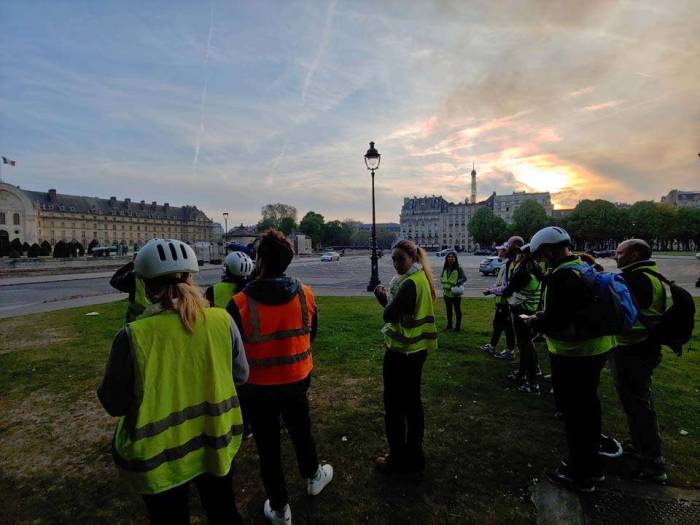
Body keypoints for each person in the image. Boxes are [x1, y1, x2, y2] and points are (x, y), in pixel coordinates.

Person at [98, 238, 249, 524]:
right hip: (213, 441)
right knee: (223, 511)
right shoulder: (221, 321)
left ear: (145, 284)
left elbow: (113, 403)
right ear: (191, 277)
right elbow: (241, 376)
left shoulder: (133, 336)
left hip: (159, 460)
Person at [226, 229, 331, 525]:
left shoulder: (239, 303)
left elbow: (232, 350)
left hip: (257, 387)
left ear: (259, 261)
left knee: (268, 447)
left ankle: (280, 506)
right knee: (302, 432)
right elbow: (311, 335)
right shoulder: (305, 294)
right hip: (296, 379)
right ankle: (312, 476)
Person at [524, 226, 616, 493]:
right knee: (589, 408)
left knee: (575, 413)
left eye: (542, 254)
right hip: (597, 347)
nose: (542, 259)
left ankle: (580, 473)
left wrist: (536, 321)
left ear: (551, 250)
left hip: (574, 353)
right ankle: (592, 466)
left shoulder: (561, 278)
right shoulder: (583, 267)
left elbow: (556, 319)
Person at [373, 240, 437, 475]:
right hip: (417, 352)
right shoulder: (422, 279)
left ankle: (396, 460)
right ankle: (414, 456)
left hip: (401, 354)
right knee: (413, 406)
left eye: (400, 259)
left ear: (413, 259)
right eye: (393, 259)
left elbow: (388, 315)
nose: (396, 264)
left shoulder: (408, 284)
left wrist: (383, 300)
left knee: (394, 408)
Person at [611, 239, 668, 482]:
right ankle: (641, 448)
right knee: (638, 403)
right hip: (643, 348)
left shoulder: (637, 280)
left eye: (619, 252)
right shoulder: (652, 277)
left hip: (633, 350)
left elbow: (620, 313)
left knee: (638, 406)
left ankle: (652, 463)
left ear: (633, 255)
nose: (615, 256)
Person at [501, 243, 543, 393]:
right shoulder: (536, 270)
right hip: (530, 311)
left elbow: (510, 294)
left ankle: (531, 382)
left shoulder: (523, 272)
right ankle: (523, 374)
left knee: (525, 347)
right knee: (526, 346)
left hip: (520, 313)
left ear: (523, 256)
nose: (516, 257)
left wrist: (508, 294)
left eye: (519, 254)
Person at [481, 244, 515, 356]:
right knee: (501, 325)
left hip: (504, 302)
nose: (498, 251)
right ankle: (494, 346)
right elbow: (500, 283)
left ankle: (507, 349)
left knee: (504, 326)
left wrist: (491, 291)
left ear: (505, 251)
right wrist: (492, 289)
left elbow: (506, 286)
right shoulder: (504, 264)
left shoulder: (507, 265)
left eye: (499, 250)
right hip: (501, 301)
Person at [110, 256, 151, 322]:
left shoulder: (134, 277)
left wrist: (131, 265)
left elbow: (114, 281)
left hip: (137, 316)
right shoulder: (160, 275)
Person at [440, 251, 467, 331]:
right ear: (446, 258)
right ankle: (449, 325)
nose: (450, 258)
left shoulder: (458, 268)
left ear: (455, 259)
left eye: (452, 257)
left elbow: (464, 278)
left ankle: (457, 327)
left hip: (455, 293)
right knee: (448, 310)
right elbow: (442, 277)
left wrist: (456, 283)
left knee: (457, 310)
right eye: (449, 257)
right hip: (446, 293)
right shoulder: (445, 267)